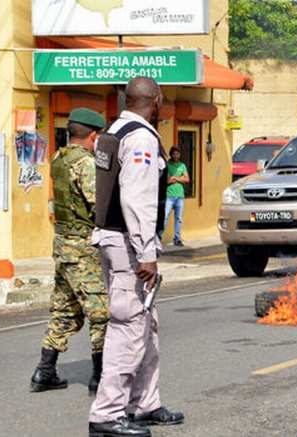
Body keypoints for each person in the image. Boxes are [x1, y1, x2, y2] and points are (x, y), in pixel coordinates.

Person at [89, 77, 183, 437]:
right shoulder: (141, 138)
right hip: (129, 244)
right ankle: (107, 414)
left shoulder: (113, 130)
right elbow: (135, 197)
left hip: (114, 238)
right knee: (128, 327)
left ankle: (144, 403)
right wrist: (146, 252)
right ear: (156, 101)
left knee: (146, 324)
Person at [30, 108, 109, 395]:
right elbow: (97, 204)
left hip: (62, 245)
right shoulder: (86, 164)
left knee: (64, 309)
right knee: (101, 312)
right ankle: (100, 377)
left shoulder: (58, 159)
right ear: (92, 135)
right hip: (82, 249)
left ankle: (45, 371)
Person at [162, 146, 189, 246]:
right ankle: (159, 237)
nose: (176, 155)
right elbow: (167, 180)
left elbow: (187, 179)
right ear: (171, 154)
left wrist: (176, 178)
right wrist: (179, 177)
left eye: (178, 153)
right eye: (174, 153)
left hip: (180, 195)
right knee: (165, 217)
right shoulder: (167, 165)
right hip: (169, 195)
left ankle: (177, 238)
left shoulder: (182, 165)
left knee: (179, 218)